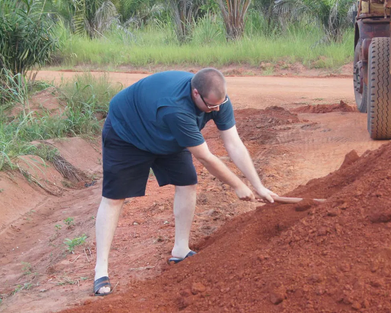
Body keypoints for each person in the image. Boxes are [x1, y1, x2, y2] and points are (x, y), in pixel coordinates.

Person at [92, 68, 277, 296]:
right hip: (128, 133)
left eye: (221, 103)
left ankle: (180, 249)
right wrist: (238, 186)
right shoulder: (176, 109)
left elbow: (233, 143)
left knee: (187, 182)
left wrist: (257, 185)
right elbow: (206, 157)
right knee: (114, 198)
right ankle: (101, 270)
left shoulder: (217, 100)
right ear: (196, 93)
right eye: (210, 106)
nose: (216, 109)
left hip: (165, 133)